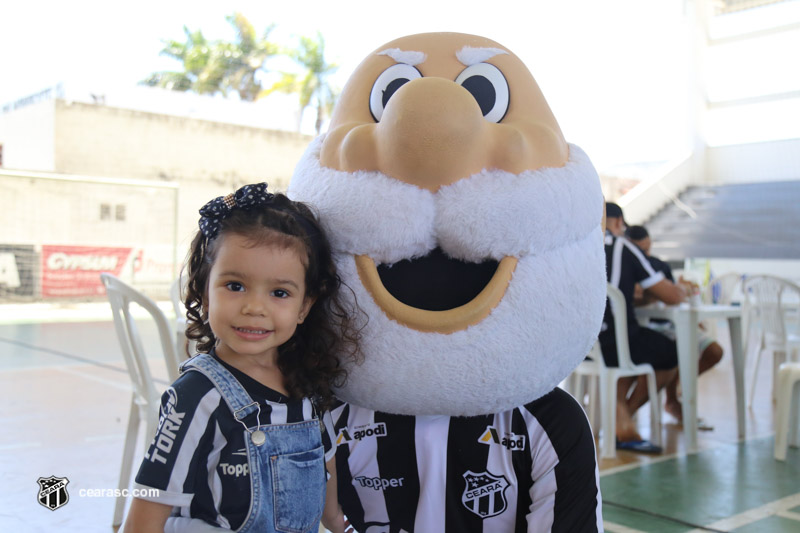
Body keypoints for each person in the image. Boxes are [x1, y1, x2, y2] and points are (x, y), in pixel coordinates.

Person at [123, 183, 361, 533]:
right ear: (205, 292)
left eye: (279, 292)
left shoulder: (308, 386)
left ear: (304, 307)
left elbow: (328, 481)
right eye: (235, 285)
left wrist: (338, 523)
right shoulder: (197, 395)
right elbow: (146, 511)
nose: (254, 307)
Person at [601, 202, 687, 453]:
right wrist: (682, 290)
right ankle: (623, 418)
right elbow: (671, 296)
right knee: (669, 352)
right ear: (618, 223)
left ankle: (618, 418)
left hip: (580, 344)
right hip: (615, 340)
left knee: (633, 345)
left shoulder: (577, 244)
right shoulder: (622, 246)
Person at [625, 224, 724, 426]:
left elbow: (673, 296)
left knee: (714, 351)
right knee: (671, 353)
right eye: (640, 250)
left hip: (670, 323)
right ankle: (629, 414)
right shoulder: (626, 265)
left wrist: (671, 292)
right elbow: (638, 297)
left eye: (648, 249)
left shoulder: (659, 266)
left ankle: (672, 393)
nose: (646, 254)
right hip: (644, 328)